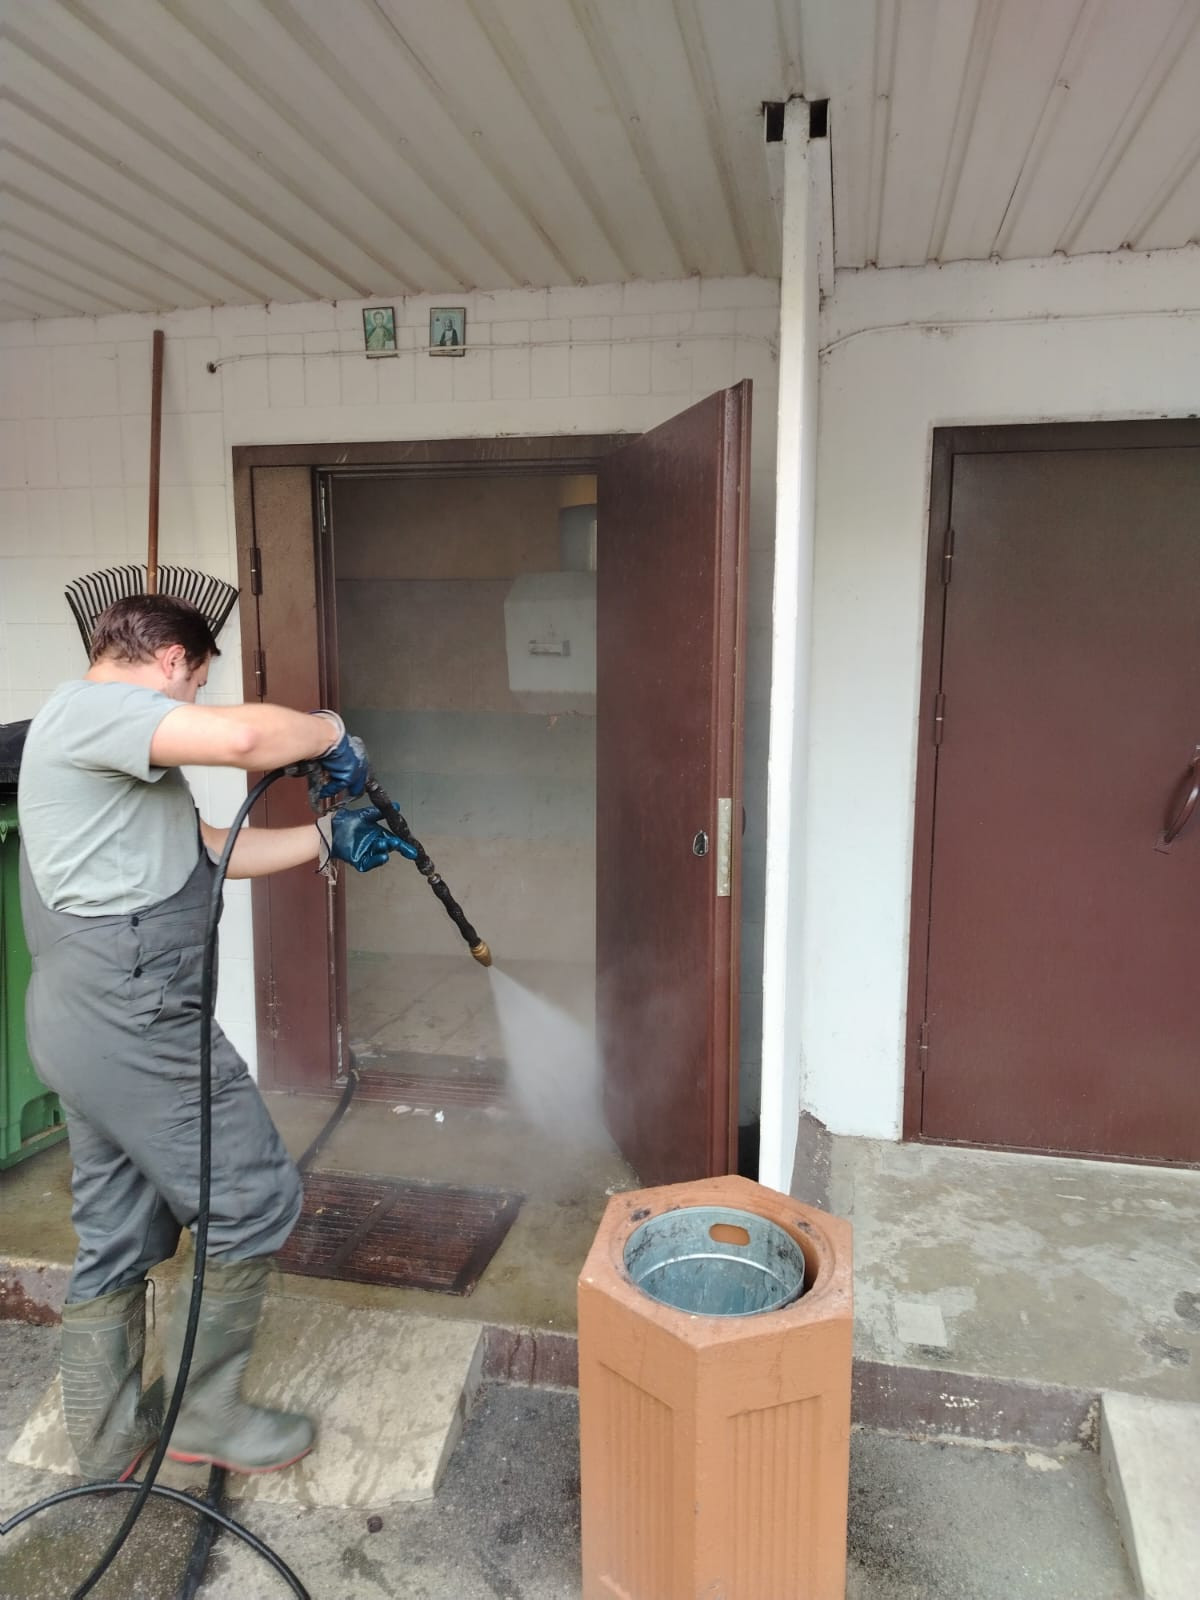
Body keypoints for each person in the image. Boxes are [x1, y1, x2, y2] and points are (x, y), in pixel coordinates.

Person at [16, 594, 409, 1481]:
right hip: (134, 1019)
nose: (192, 701)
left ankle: (109, 1441)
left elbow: (207, 848)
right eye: (195, 682)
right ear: (169, 660)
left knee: (117, 1228)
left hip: (90, 1027)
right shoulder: (94, 710)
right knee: (250, 1194)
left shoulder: (95, 744)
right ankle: (207, 1416)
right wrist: (329, 733)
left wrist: (324, 837)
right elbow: (241, 739)